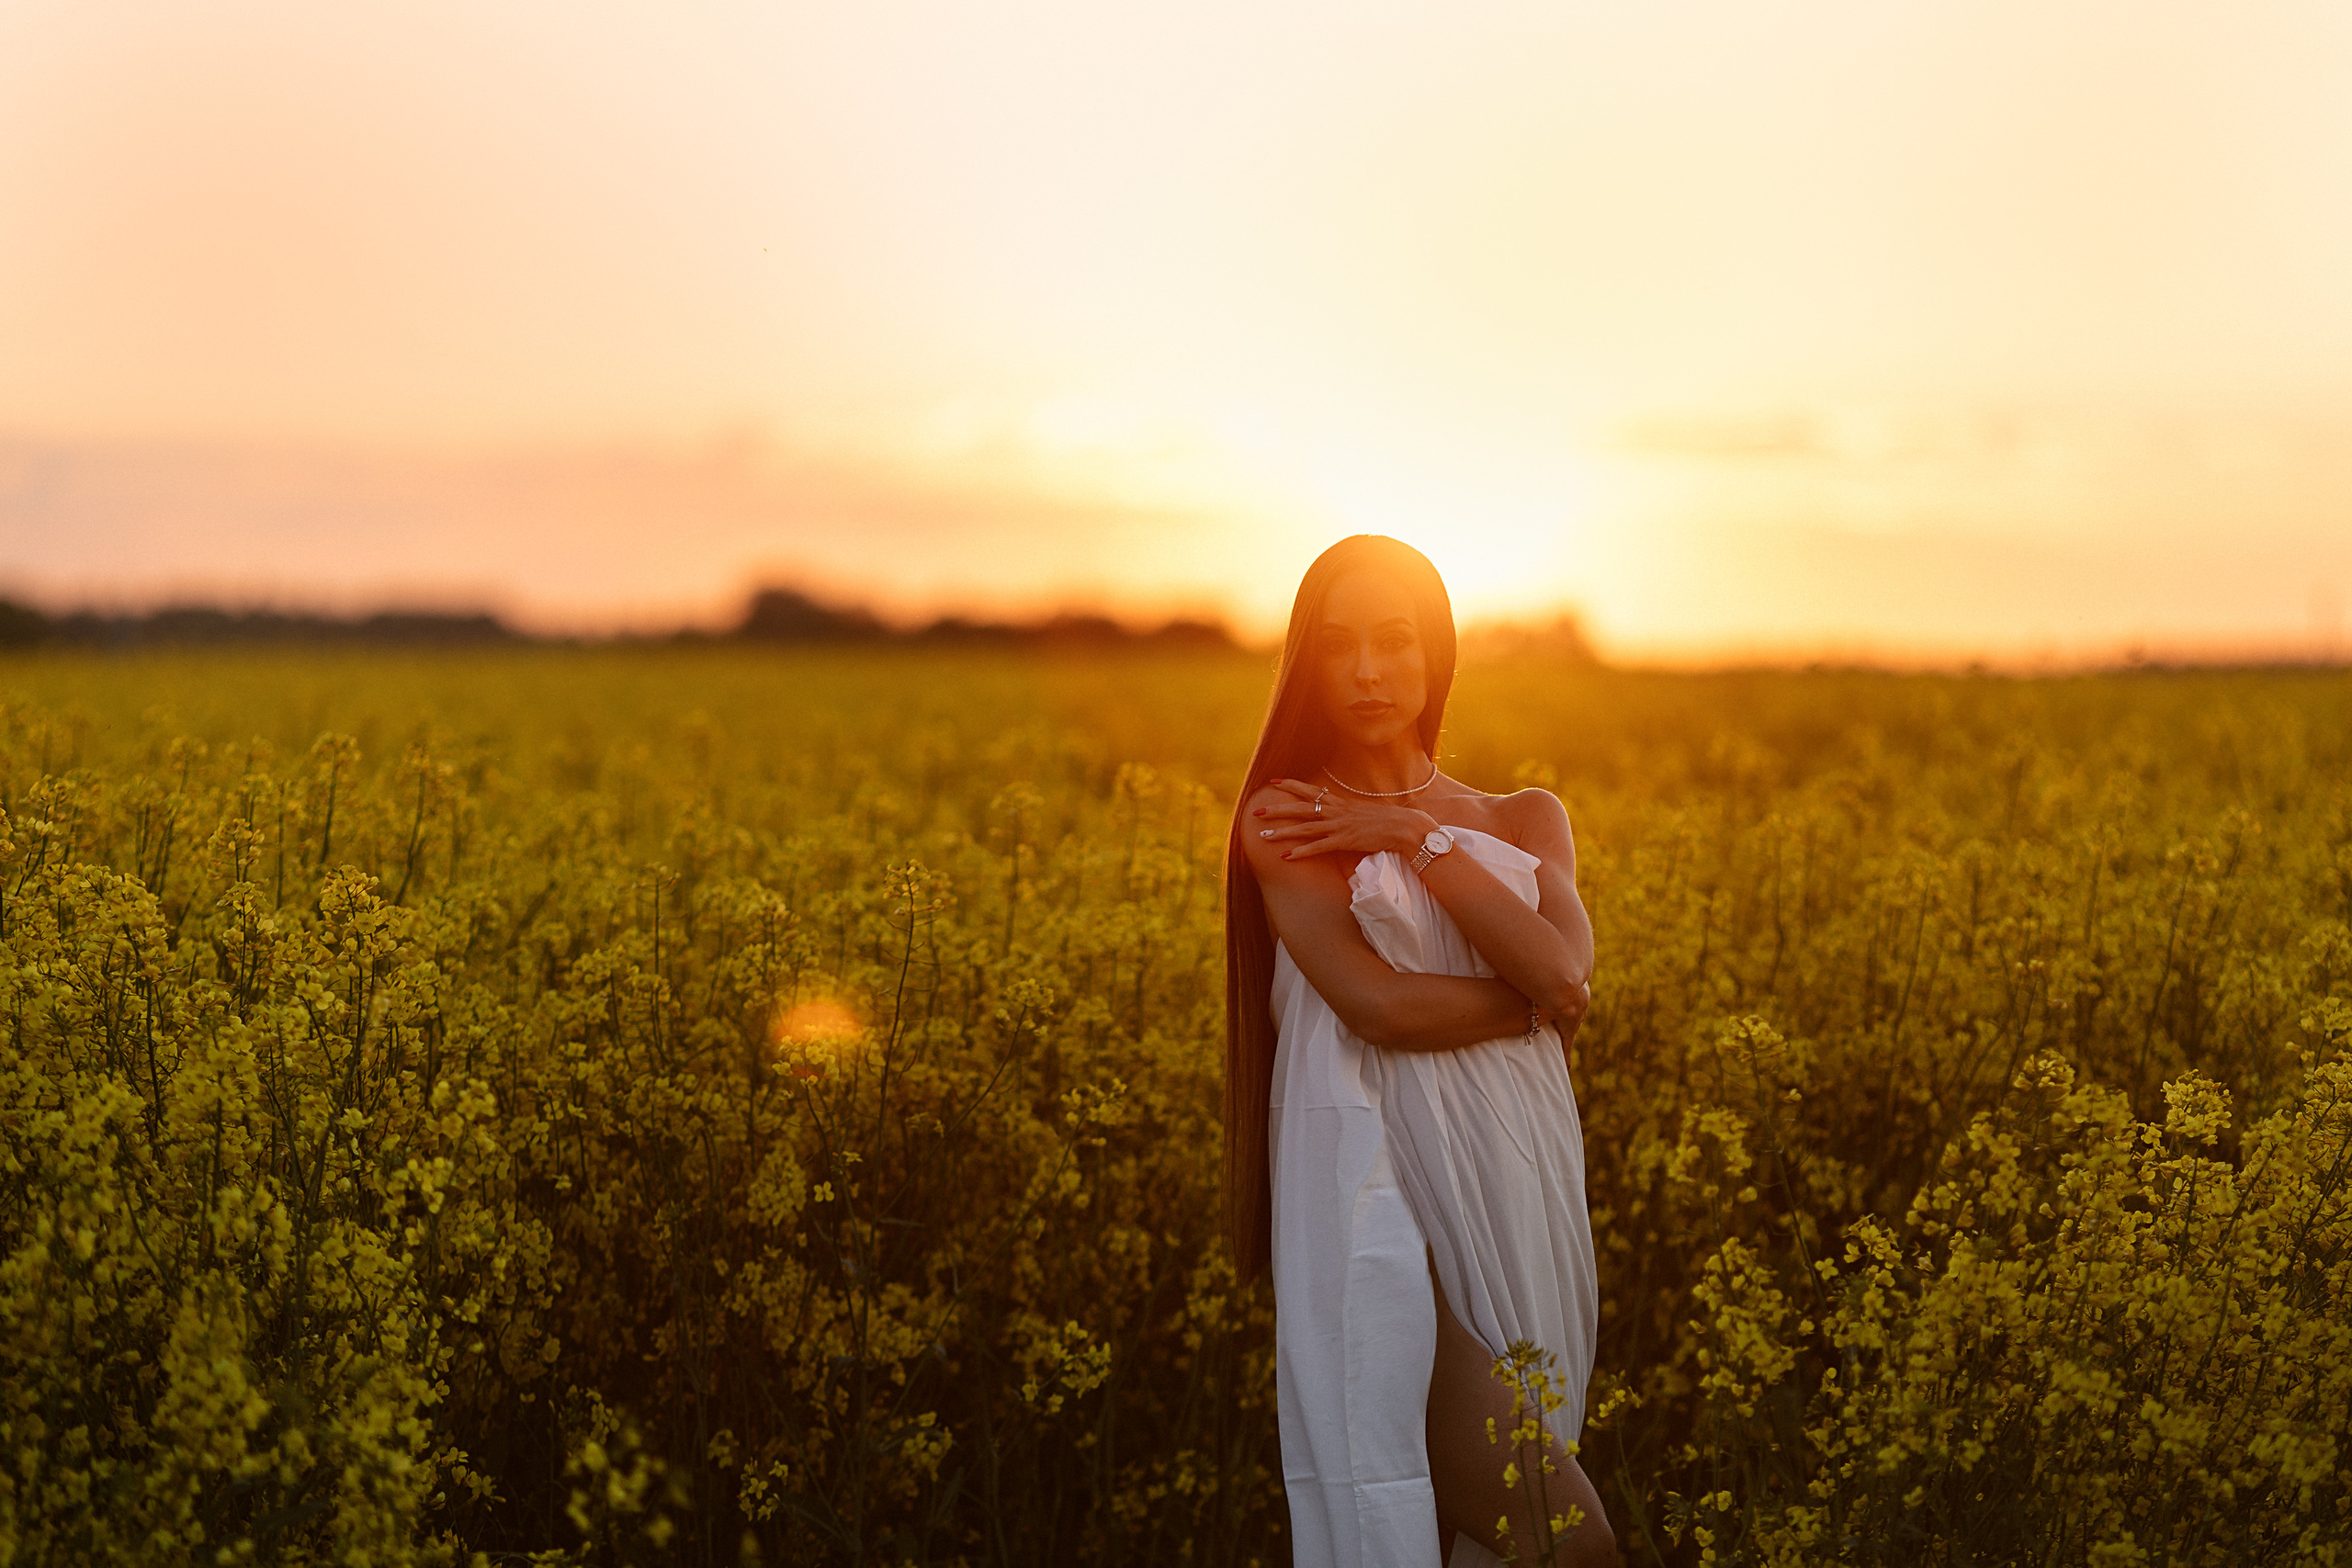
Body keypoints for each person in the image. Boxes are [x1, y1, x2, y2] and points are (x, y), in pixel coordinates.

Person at [1223, 536, 1615, 1568]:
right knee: (1572, 1546)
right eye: (1337, 646)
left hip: (1519, 1181)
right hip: (1382, 1195)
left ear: (1437, 654)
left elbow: (1564, 971)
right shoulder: (1288, 819)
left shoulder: (1524, 817)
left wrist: (1412, 837)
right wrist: (1533, 1008)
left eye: (1393, 642)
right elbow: (1381, 1008)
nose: (1365, 671)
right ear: (1304, 663)